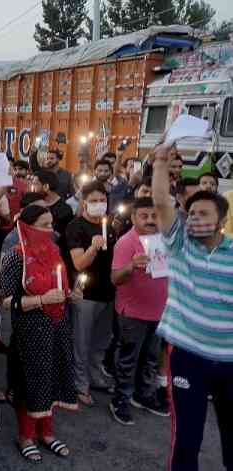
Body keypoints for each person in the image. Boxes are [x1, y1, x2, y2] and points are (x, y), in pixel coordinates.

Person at [151, 142, 233, 471]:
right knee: (187, 439)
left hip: (229, 363)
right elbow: (160, 201)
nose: (195, 218)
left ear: (221, 221)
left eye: (204, 214)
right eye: (192, 213)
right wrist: (159, 161)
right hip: (187, 359)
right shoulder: (179, 244)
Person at [0, 206, 77, 462]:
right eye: (44, 225)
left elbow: (60, 286)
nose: (51, 230)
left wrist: (69, 294)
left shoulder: (54, 252)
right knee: (31, 380)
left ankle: (47, 432)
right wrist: (42, 299)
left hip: (56, 326)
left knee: (52, 376)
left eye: (51, 224)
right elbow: (7, 300)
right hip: (31, 331)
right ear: (28, 228)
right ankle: (26, 435)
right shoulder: (15, 257)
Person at [109, 197, 169, 425]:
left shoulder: (163, 240)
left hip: (159, 311)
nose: (151, 220)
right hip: (133, 313)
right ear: (133, 218)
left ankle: (143, 396)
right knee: (128, 359)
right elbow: (115, 278)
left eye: (154, 216)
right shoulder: (126, 243)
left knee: (151, 359)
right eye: (144, 216)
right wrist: (131, 265)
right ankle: (120, 400)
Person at [66, 181, 117, 405]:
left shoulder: (110, 228)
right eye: (94, 201)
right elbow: (79, 264)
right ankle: (80, 384)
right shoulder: (75, 227)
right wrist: (93, 248)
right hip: (85, 294)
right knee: (81, 341)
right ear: (84, 202)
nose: (99, 204)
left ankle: (95, 375)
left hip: (108, 292)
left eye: (103, 200)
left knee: (101, 341)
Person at [32, 170, 74, 238]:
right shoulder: (34, 204)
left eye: (35, 184)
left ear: (46, 186)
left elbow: (54, 237)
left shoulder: (64, 210)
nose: (32, 189)